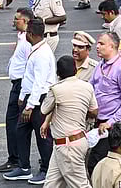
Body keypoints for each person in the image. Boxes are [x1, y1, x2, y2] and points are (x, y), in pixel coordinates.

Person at [6, 18, 56, 184]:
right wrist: (22, 97)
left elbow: (39, 83)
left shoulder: (42, 54)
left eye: (27, 32)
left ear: (31, 34)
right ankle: (24, 167)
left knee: (42, 136)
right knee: (21, 131)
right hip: (30, 99)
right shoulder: (37, 49)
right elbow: (29, 78)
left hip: (39, 100)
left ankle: (46, 170)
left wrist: (29, 106)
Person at [39, 54, 98, 188]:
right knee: (51, 184)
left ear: (58, 73)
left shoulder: (56, 89)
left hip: (67, 145)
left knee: (80, 185)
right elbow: (94, 111)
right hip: (74, 141)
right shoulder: (87, 87)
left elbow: (44, 109)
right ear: (75, 70)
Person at [0, 8, 36, 175]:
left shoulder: (28, 42)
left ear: (26, 22)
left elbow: (30, 66)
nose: (14, 21)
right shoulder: (21, 37)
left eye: (17, 19)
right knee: (13, 123)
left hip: (22, 85)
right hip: (17, 84)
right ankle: (16, 158)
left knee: (16, 123)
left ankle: (17, 160)